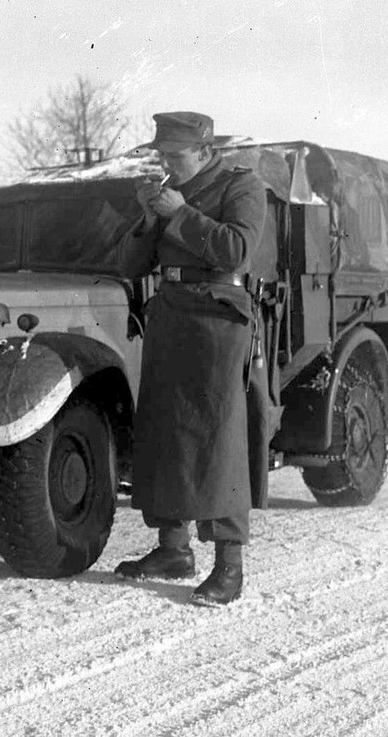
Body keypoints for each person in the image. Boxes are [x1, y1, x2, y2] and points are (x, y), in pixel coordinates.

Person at [114, 111, 266, 606]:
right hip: (172, 317)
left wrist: (179, 213)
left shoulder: (241, 186)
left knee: (218, 438)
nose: (167, 165)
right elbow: (130, 265)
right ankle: (173, 549)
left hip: (219, 322)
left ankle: (230, 565)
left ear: (204, 152)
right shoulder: (167, 195)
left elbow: (236, 251)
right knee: (164, 432)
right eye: (162, 156)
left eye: (175, 157)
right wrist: (150, 219)